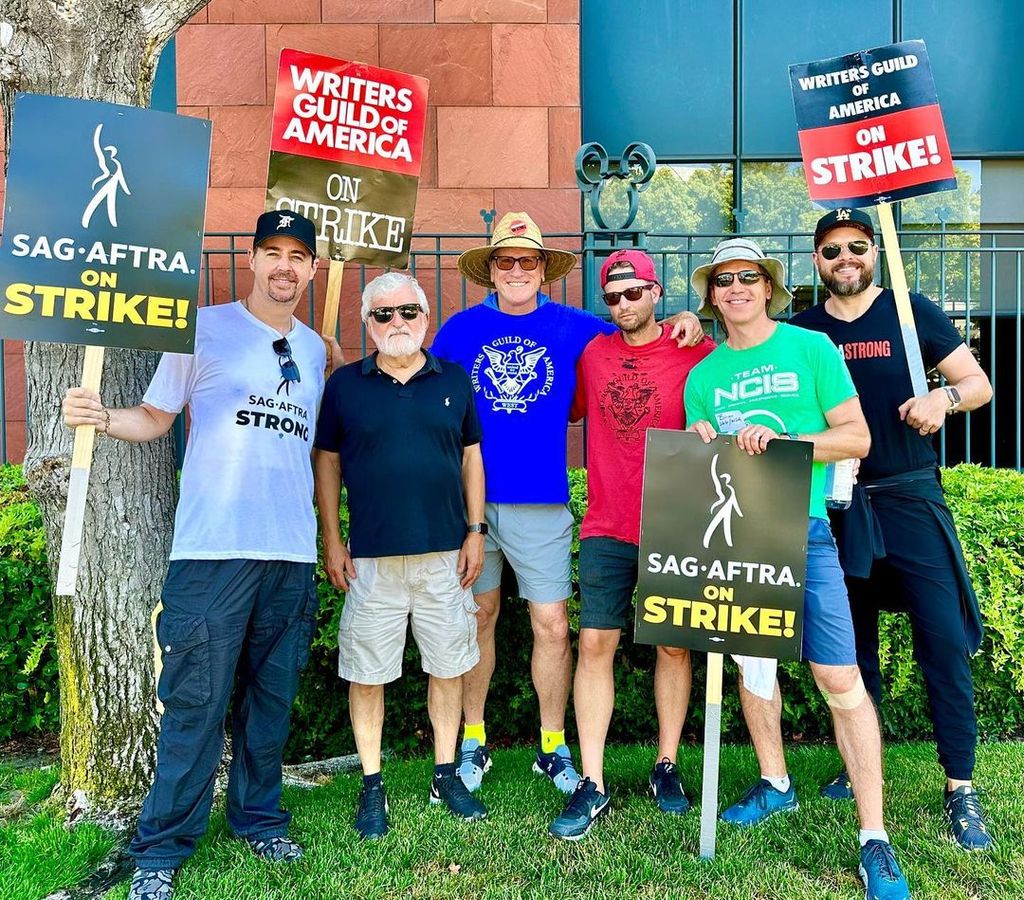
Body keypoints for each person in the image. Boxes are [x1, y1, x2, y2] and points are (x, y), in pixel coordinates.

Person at [63, 211, 341, 900]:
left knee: (270, 702)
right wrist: (100, 417)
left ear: (313, 269)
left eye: (297, 257)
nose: (284, 266)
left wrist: (333, 354)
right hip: (212, 550)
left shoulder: (313, 348)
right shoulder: (203, 328)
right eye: (271, 253)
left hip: (289, 553)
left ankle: (258, 818)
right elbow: (155, 418)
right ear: (251, 260)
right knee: (194, 703)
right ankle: (162, 846)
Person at [430, 212, 704, 796]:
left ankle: (551, 746)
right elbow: (424, 393)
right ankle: (473, 739)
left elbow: (639, 330)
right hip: (469, 503)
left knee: (553, 626)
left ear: (543, 271)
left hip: (540, 502)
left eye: (529, 261)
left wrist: (688, 318)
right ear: (491, 271)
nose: (518, 271)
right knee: (479, 619)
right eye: (506, 262)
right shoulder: (457, 330)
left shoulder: (578, 328)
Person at [684, 237, 910, 900]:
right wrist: (707, 449)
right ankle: (775, 783)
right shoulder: (704, 377)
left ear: (768, 286)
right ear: (712, 295)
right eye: (723, 280)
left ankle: (875, 838)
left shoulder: (810, 349)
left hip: (806, 532)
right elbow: (704, 466)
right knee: (753, 673)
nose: (736, 288)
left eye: (748, 276)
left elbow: (856, 436)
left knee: (838, 677)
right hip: (740, 539)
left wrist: (786, 445)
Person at [793, 207, 994, 851]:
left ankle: (961, 785)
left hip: (910, 497)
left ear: (874, 251)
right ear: (816, 261)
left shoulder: (913, 314)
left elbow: (978, 384)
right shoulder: (804, 331)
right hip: (838, 505)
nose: (844, 258)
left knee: (941, 641)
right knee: (855, 652)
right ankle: (859, 771)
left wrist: (944, 398)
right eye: (831, 251)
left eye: (856, 246)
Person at [314, 272, 488, 840]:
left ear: (426, 318)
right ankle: (372, 783)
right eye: (383, 314)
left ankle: (444, 772)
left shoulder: (455, 381)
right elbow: (328, 465)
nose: (397, 324)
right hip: (371, 561)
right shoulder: (345, 387)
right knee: (367, 674)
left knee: (449, 667)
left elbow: (470, 458)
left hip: (444, 555)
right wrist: (333, 539)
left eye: (408, 312)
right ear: (366, 323)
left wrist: (476, 530)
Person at [548, 250, 714, 839]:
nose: (624, 304)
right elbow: (563, 410)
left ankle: (665, 765)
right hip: (606, 521)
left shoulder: (693, 347)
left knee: (673, 647)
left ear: (655, 291)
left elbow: (738, 380)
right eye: (613, 296)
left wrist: (699, 317)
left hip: (674, 520)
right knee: (594, 641)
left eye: (634, 292)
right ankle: (592, 783)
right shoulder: (594, 354)